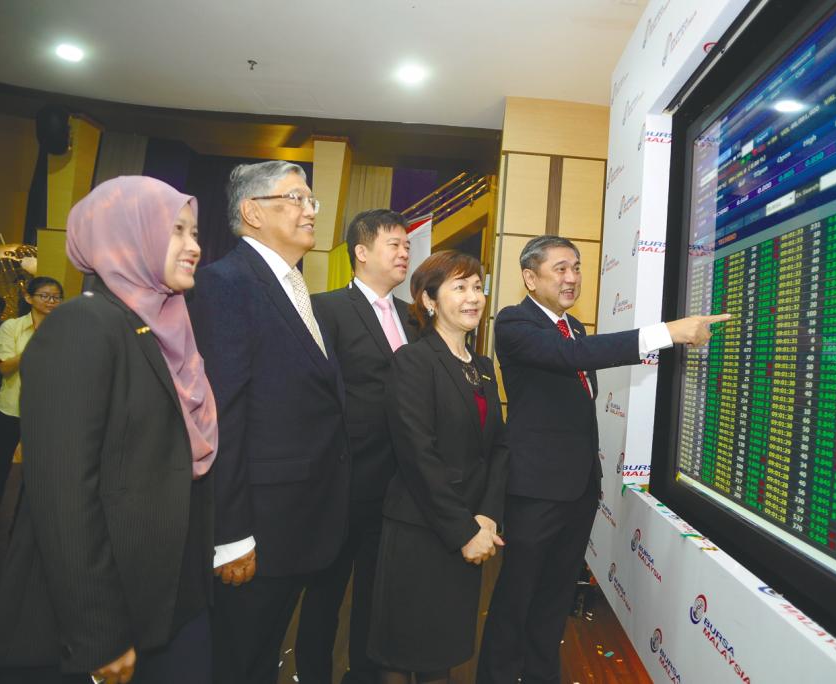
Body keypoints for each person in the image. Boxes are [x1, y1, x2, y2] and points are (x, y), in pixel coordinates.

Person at [477, 235, 729, 684]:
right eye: (560, 268)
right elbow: (571, 358)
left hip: (577, 489)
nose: (572, 277)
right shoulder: (515, 323)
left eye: (576, 267)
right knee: (516, 599)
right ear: (530, 278)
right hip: (535, 490)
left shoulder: (574, 327)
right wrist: (667, 332)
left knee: (554, 601)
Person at [0, 176, 218, 684]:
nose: (195, 247)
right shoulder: (82, 325)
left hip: (173, 595)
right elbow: (62, 495)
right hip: (109, 612)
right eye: (178, 231)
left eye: (195, 232)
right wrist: (100, 633)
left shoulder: (170, 325)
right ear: (128, 235)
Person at [187, 161, 350, 684]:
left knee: (261, 659)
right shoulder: (226, 283)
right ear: (251, 212)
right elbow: (223, 414)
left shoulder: (294, 286)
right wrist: (232, 536)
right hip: (256, 528)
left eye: (311, 201)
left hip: (298, 522)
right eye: (296, 198)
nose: (309, 211)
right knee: (237, 662)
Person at [367, 251, 508, 684]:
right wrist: (463, 530)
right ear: (429, 300)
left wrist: (485, 516)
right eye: (459, 287)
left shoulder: (483, 367)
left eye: (478, 287)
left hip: (470, 527)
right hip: (421, 530)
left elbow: (498, 449)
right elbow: (416, 455)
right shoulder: (413, 361)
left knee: (442, 654)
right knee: (403, 652)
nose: (473, 298)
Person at [298, 209, 417, 683]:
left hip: (395, 486)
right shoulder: (326, 308)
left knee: (376, 591)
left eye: (407, 244)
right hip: (342, 484)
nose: (405, 252)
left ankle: (363, 674)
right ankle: (312, 674)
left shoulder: (412, 316)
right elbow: (313, 397)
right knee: (324, 594)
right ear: (361, 252)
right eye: (394, 244)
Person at [0, 277, 62, 510]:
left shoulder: (64, 332)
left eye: (56, 297)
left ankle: (28, 523)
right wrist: (37, 345)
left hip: (45, 413)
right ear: (29, 298)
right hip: (10, 408)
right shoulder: (12, 327)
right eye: (45, 295)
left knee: (38, 472)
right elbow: (5, 368)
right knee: (1, 467)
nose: (51, 301)